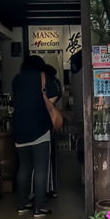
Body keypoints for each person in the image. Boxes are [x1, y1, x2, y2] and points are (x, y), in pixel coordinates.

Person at [11, 55, 59, 219]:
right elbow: (53, 97)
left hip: (19, 128)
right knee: (40, 167)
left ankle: (22, 205)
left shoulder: (17, 79)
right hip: (39, 127)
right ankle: (39, 207)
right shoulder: (42, 77)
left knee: (24, 166)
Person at [42, 64, 62, 199]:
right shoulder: (53, 82)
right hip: (48, 122)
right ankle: (49, 188)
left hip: (44, 121)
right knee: (48, 157)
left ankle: (43, 189)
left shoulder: (46, 81)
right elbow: (55, 97)